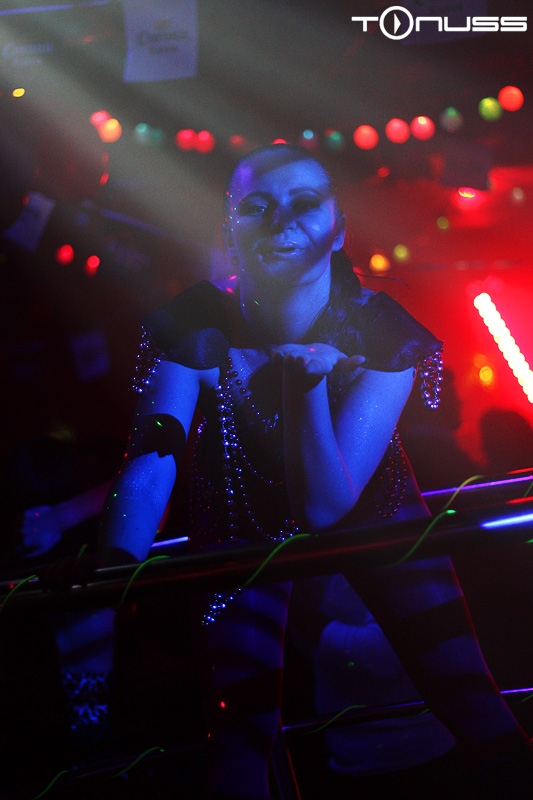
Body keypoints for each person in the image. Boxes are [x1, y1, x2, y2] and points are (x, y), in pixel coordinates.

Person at [97, 144, 532, 800]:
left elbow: (327, 508)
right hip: (237, 517)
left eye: (304, 203)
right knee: (240, 745)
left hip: (374, 513)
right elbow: (153, 456)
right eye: (258, 206)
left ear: (338, 229)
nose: (282, 221)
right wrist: (111, 570)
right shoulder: (193, 323)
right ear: (229, 232)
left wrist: (303, 388)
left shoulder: (380, 329)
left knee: (473, 706)